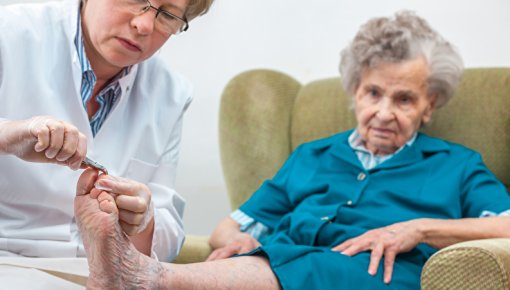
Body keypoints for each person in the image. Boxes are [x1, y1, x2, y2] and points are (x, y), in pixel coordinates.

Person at [75, 11, 510, 289]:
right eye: (373, 93)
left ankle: (143, 278)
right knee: (274, 256)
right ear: (354, 93)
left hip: (380, 276)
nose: (383, 112)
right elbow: (229, 227)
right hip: (279, 263)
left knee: (321, 265)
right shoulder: (312, 156)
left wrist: (418, 229)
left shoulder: (457, 165)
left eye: (404, 100)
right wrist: (241, 241)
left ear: (429, 106)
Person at [0, 0, 213, 261]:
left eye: (167, 15)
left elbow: (165, 238)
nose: (144, 25)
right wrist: (9, 135)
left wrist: (143, 222)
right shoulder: (9, 32)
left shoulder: (170, 93)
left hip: (97, 271)